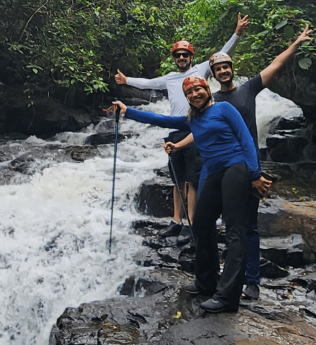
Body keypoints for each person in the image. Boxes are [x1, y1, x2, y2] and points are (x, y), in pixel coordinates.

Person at [109, 75, 265, 313]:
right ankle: (206, 282)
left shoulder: (224, 108)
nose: (194, 94)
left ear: (207, 91)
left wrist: (255, 174)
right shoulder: (193, 120)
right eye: (189, 92)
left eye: (198, 89)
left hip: (237, 168)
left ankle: (228, 296)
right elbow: (162, 120)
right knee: (201, 224)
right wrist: (128, 111)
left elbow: (246, 139)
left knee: (235, 230)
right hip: (213, 171)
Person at [113, 15, 249, 245]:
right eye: (178, 55)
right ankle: (176, 220)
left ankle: (191, 222)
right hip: (175, 128)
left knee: (193, 179)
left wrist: (237, 33)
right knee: (177, 179)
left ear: (191, 57)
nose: (182, 58)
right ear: (174, 58)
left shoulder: (201, 70)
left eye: (185, 54)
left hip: (196, 127)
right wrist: (126, 81)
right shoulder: (169, 78)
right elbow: (148, 83)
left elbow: (221, 54)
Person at [208, 23, 314, 300]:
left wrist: (297, 43)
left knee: (250, 225)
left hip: (250, 166)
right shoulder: (211, 101)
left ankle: (252, 282)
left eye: (226, 67)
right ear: (214, 74)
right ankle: (231, 277)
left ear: (231, 68)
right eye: (218, 69)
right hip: (224, 169)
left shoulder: (248, 90)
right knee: (230, 225)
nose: (223, 71)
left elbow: (276, 64)